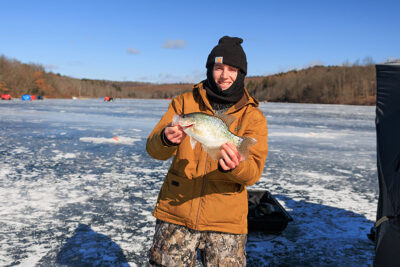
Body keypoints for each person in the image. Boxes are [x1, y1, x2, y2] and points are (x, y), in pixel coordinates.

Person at [146, 36, 268, 266]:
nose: (224, 75)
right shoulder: (183, 103)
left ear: (241, 73)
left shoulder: (253, 116)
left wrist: (236, 166)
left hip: (226, 221)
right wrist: (165, 139)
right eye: (218, 67)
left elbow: (252, 174)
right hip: (176, 211)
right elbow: (153, 150)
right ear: (210, 69)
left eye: (232, 69)